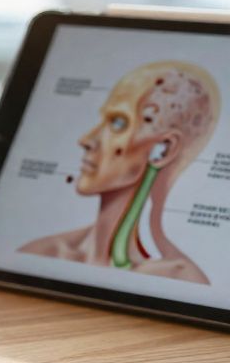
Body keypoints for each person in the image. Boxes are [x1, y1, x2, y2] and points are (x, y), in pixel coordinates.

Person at [19, 61, 217, 284]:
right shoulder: (42, 253)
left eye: (119, 123)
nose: (86, 140)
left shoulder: (180, 278)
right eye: (104, 120)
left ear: (164, 150)